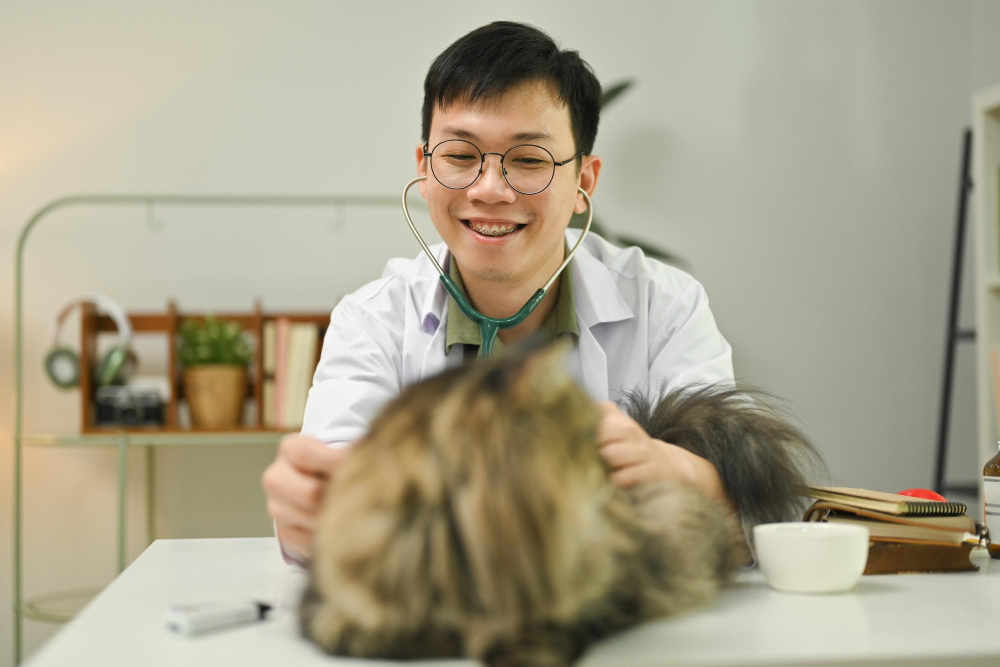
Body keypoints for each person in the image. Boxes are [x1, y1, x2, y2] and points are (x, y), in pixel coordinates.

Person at [262, 21, 737, 566]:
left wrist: (669, 469)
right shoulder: (373, 320)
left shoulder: (666, 307)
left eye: (530, 160)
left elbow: (744, 503)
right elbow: (321, 521)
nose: (489, 189)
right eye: (461, 156)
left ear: (585, 182)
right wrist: (307, 511)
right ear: (424, 167)